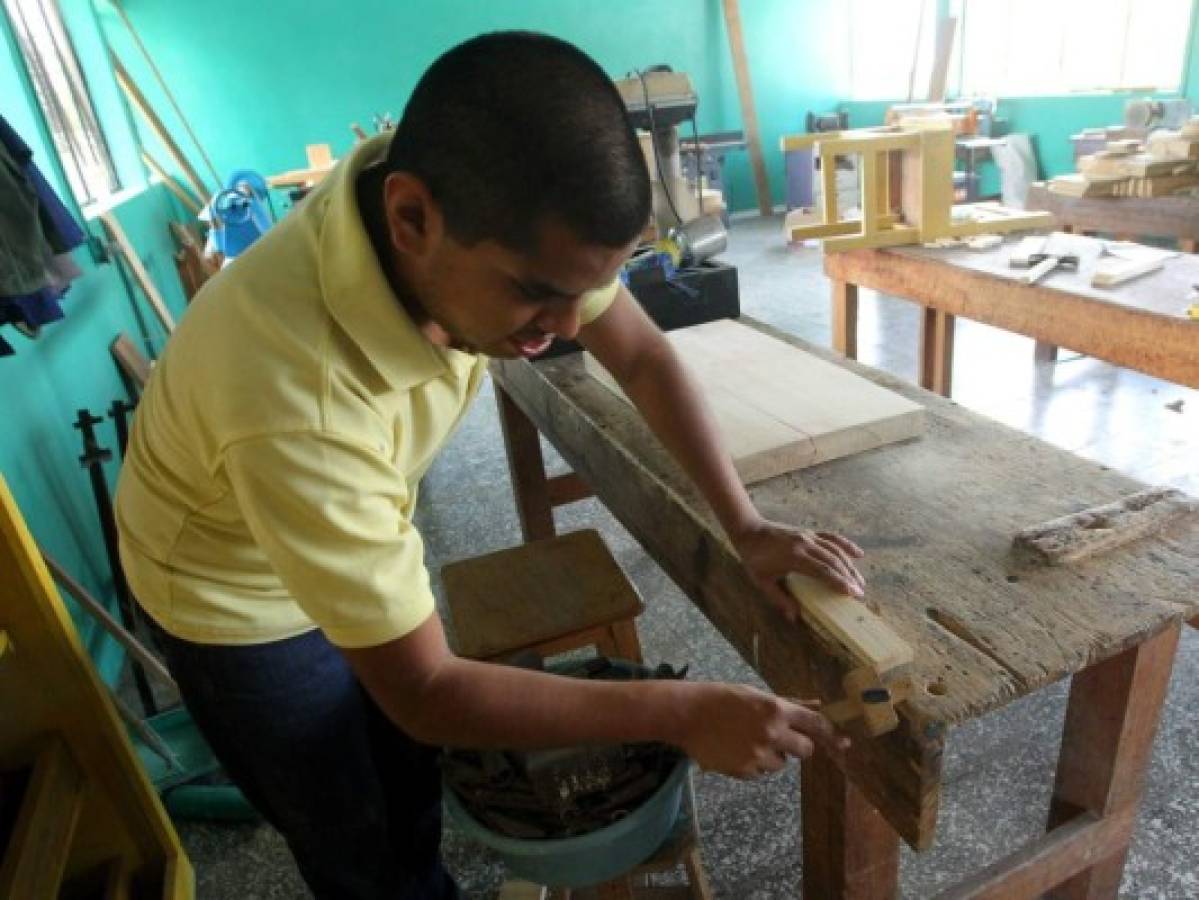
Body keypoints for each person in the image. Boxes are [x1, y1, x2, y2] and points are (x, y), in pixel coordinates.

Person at [115, 31, 867, 900]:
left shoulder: (472, 206)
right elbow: (429, 690)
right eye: (535, 293)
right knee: (353, 835)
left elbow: (646, 359)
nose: (568, 326)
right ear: (410, 219)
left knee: (403, 777)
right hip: (231, 597)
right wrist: (681, 711)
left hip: (322, 519)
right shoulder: (297, 404)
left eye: (582, 290)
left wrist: (746, 525)